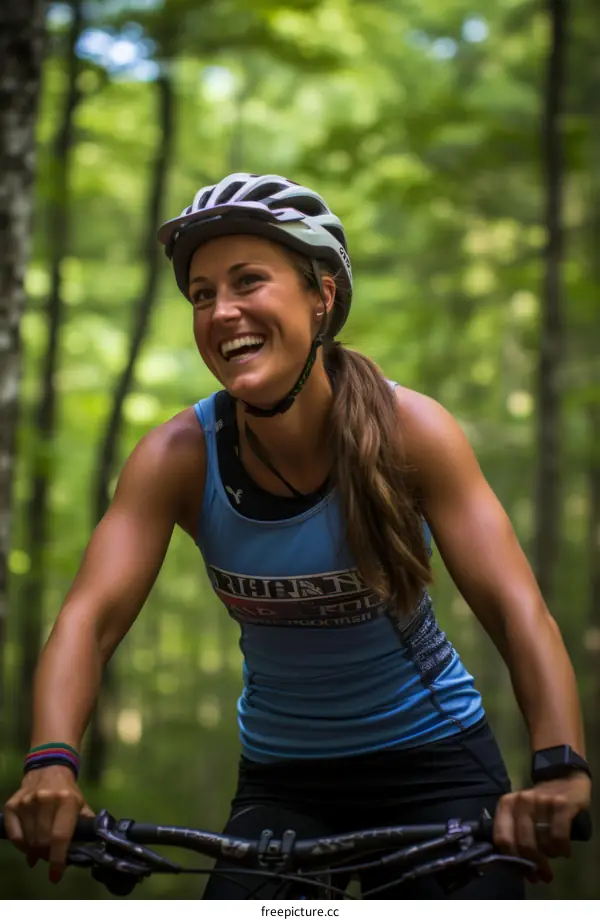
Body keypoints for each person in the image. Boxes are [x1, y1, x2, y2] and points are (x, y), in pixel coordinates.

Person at [3, 173, 592, 899]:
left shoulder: (414, 432)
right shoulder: (176, 458)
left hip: (437, 765)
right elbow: (88, 622)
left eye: (249, 281)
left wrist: (560, 767)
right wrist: (50, 765)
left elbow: (516, 610)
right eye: (202, 294)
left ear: (323, 296)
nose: (223, 311)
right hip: (283, 783)